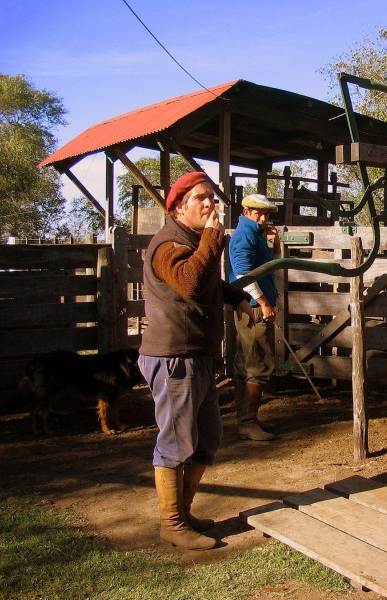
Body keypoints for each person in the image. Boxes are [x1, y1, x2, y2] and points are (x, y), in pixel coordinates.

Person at [138, 171, 256, 551]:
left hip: (198, 356)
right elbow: (189, 281)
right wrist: (211, 238)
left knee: (207, 438)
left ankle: (183, 513)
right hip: (173, 358)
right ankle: (171, 523)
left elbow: (206, 281)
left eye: (212, 198)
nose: (210, 204)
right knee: (176, 441)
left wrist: (235, 296)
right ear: (177, 207)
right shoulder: (167, 245)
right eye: (200, 198)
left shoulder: (191, 240)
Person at [228, 193, 281, 441]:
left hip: (251, 305)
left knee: (246, 361)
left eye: (266, 214)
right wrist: (263, 302)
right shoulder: (245, 235)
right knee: (258, 362)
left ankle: (245, 419)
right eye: (257, 214)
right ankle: (247, 422)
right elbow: (242, 273)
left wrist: (275, 243)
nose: (262, 218)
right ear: (246, 212)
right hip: (253, 307)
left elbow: (270, 264)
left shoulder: (255, 234)